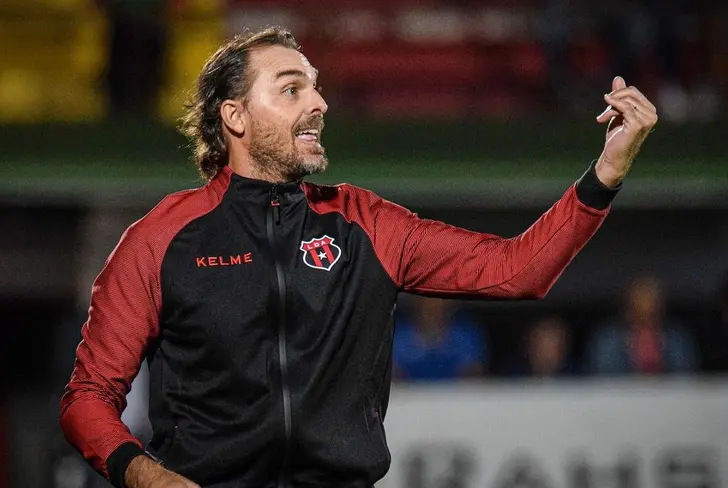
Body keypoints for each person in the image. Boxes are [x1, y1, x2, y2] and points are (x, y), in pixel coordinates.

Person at [59, 27, 658, 488]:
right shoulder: (159, 239)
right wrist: (146, 476)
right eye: (291, 89)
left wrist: (607, 170)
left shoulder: (366, 224)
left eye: (315, 87)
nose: (318, 103)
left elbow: (518, 269)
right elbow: (88, 398)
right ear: (234, 117)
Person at [587, 273, 698, 375]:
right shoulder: (608, 341)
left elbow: (687, 375)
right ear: (629, 307)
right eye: (640, 304)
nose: (646, 308)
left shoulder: (677, 339)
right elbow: (601, 377)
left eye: (652, 305)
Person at [392, 297, 486, 381]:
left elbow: (472, 378)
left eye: (439, 307)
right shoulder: (397, 337)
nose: (433, 311)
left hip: (454, 394)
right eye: (428, 308)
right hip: (410, 394)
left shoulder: (465, 336)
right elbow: (394, 379)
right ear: (417, 306)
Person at [508, 315, 574, 378]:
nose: (547, 357)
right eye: (543, 349)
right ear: (529, 349)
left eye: (552, 349)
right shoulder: (512, 377)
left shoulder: (575, 377)